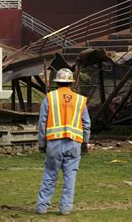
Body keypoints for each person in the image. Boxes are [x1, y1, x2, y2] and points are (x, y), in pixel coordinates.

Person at [35, 68, 91, 215]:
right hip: (74, 144)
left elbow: (42, 122)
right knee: (70, 178)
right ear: (71, 83)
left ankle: (42, 207)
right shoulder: (80, 100)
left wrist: (42, 143)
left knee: (49, 175)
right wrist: (85, 142)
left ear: (57, 82)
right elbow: (86, 124)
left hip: (53, 143)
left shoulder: (50, 97)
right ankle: (65, 208)